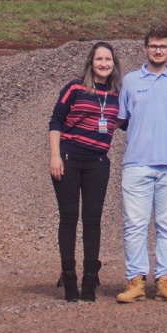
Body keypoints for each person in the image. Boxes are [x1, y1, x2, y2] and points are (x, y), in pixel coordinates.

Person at [115, 24, 167, 304]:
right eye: (153, 46)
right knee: (134, 224)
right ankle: (135, 280)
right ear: (145, 48)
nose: (158, 50)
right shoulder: (130, 81)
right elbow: (122, 120)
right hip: (136, 162)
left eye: (162, 46)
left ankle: (164, 279)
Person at [48, 41, 123, 303]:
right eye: (99, 59)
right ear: (91, 62)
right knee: (68, 219)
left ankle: (90, 278)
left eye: (108, 60)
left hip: (98, 163)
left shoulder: (117, 94)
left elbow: (126, 120)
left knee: (93, 220)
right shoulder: (75, 87)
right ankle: (68, 276)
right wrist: (55, 156)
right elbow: (56, 121)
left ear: (114, 64)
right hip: (68, 160)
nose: (104, 64)